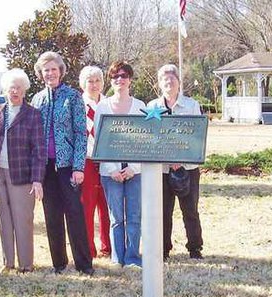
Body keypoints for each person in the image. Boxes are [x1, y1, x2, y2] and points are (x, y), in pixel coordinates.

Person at [31, 51, 94, 275]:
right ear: (41, 73)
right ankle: (59, 263)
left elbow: (81, 133)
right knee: (52, 215)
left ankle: (84, 264)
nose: (50, 73)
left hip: (67, 166)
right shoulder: (37, 99)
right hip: (45, 167)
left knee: (75, 213)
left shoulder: (73, 96)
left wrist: (78, 167)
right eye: (46, 70)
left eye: (53, 69)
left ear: (60, 71)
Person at [0, 69, 47, 273]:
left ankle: (26, 264)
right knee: (3, 218)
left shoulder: (32, 114)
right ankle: (8, 262)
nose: (15, 91)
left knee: (23, 220)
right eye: (11, 88)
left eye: (19, 88)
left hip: (22, 175)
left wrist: (37, 179)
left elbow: (39, 150)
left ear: (24, 91)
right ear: (5, 90)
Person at [147, 64, 203, 260]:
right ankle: (163, 249)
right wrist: (168, 158)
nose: (168, 82)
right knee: (163, 211)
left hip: (187, 167)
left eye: (172, 78)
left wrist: (180, 157)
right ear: (159, 83)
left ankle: (195, 248)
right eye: (164, 79)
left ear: (179, 82)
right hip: (162, 169)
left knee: (190, 210)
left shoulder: (191, 105)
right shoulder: (152, 107)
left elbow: (197, 135)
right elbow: (150, 136)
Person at [95, 61, 145, 268]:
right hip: (110, 171)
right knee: (116, 217)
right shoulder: (102, 106)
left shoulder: (140, 106)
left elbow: (145, 140)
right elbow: (100, 140)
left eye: (124, 76)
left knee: (134, 216)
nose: (120, 80)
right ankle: (118, 257)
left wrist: (134, 168)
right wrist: (112, 169)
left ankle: (132, 257)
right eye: (115, 76)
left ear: (130, 79)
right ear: (111, 80)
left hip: (135, 170)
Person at [78, 65, 111, 259]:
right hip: (87, 161)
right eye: (90, 81)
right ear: (83, 84)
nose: (94, 84)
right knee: (87, 207)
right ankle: (89, 249)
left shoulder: (108, 104)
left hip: (108, 161)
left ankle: (108, 247)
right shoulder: (78, 104)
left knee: (107, 206)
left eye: (98, 80)